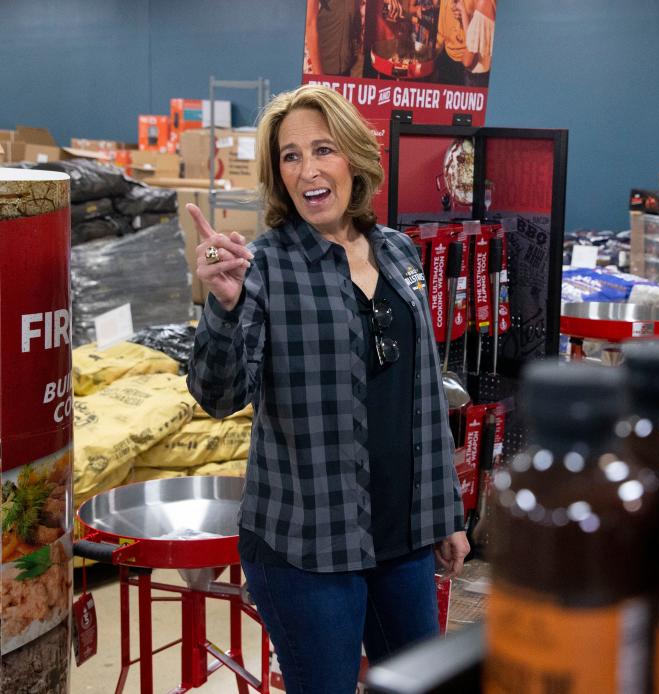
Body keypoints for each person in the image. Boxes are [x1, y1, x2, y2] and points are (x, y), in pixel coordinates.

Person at [186, 84, 469, 694]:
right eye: (290, 156)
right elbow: (217, 394)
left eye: (323, 149)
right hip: (307, 550)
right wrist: (225, 306)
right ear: (278, 174)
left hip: (404, 541)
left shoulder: (397, 254)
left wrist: (445, 513)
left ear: (353, 159)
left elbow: (423, 398)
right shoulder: (263, 268)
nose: (308, 169)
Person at [434, 0, 475, 84]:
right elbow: (441, 29)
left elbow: (481, 25)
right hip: (446, 56)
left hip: (467, 60)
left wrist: (465, 16)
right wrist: (436, 52)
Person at [457, 0, 495, 88]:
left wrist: (462, 57)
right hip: (487, 76)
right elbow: (473, 39)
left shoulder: (483, 4)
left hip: (475, 80)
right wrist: (463, 11)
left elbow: (467, 62)